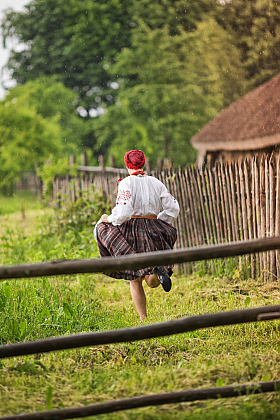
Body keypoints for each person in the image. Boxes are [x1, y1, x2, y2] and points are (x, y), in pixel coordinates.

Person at [94, 150, 180, 320]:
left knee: (135, 277)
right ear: (143, 163)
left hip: (131, 230)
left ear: (127, 165)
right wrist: (160, 222)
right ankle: (156, 272)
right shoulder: (156, 182)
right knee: (150, 279)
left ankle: (143, 318)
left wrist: (109, 219)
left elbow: (124, 212)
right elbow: (173, 208)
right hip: (153, 227)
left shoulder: (126, 183)